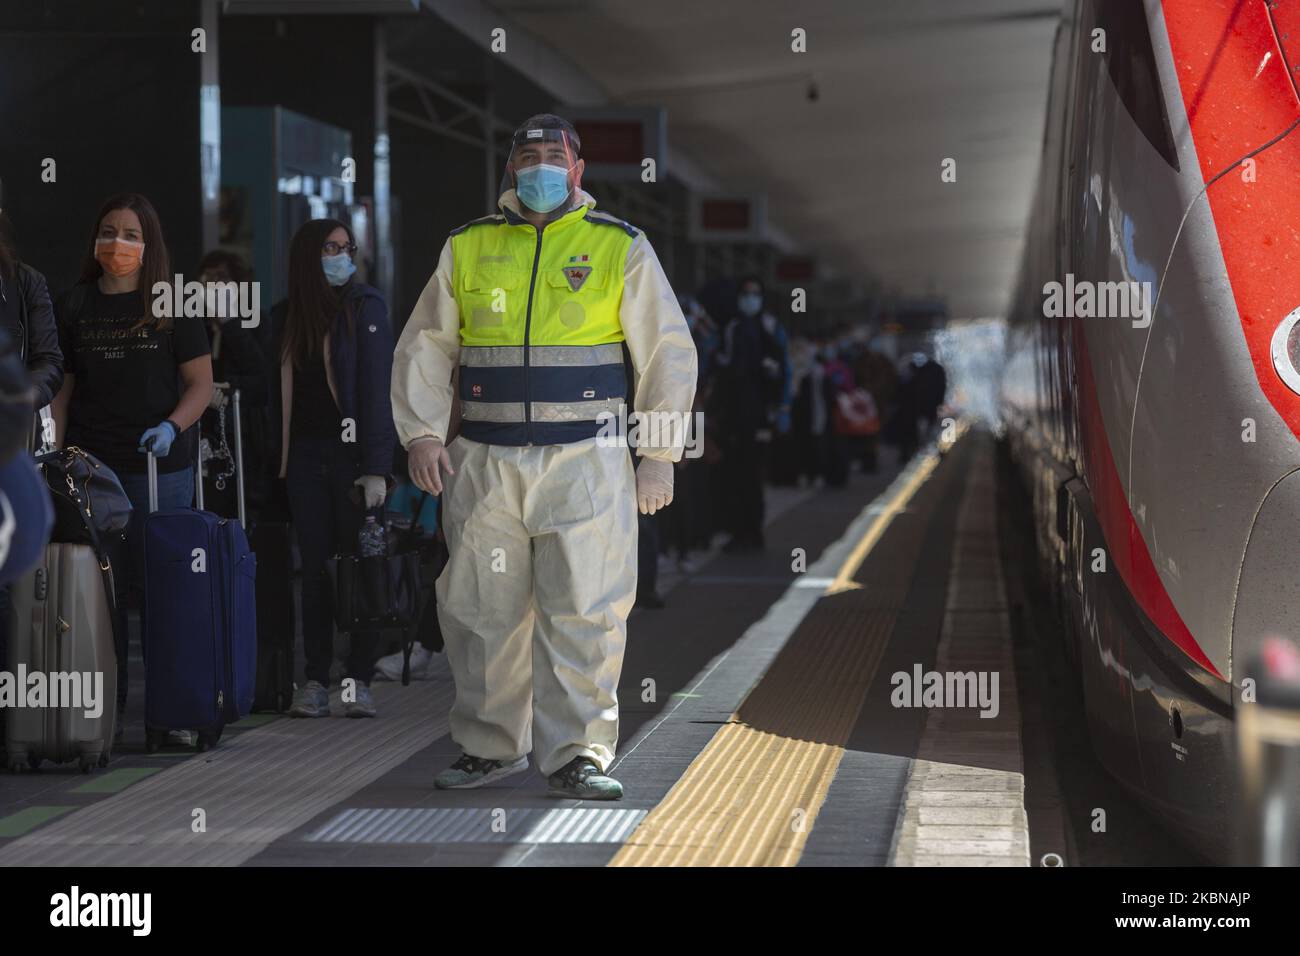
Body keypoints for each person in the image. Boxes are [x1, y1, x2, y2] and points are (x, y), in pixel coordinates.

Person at [392, 113, 697, 799]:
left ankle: (578, 755)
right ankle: (489, 747)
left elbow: (667, 350)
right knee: (480, 611)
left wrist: (659, 453)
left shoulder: (619, 245)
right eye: (525, 155)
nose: (538, 168)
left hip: (585, 461)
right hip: (485, 461)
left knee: (584, 610)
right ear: (509, 168)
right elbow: (426, 344)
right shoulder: (468, 246)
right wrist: (422, 433)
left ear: (578, 169)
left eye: (551, 156)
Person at [51, 193, 214, 744]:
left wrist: (171, 426)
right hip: (93, 471)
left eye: (129, 234)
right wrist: (52, 447)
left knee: (165, 591)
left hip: (158, 468)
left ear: (149, 244)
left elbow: (201, 385)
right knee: (100, 595)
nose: (116, 244)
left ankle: (171, 715)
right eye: (107, 231)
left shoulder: (173, 304)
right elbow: (63, 392)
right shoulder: (73, 305)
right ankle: (105, 713)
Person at [270, 218, 395, 720]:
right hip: (303, 457)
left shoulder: (365, 308)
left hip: (353, 459)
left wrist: (378, 468)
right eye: (329, 247)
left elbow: (377, 391)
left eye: (347, 247)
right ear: (307, 255)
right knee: (318, 570)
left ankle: (358, 677)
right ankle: (316, 679)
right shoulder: (285, 318)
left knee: (361, 564)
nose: (341, 256)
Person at [196, 249, 269, 519]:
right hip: (204, 437)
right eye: (207, 279)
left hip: (245, 438)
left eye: (222, 278)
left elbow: (261, 380)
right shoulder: (196, 327)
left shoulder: (257, 322)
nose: (213, 285)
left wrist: (229, 322)